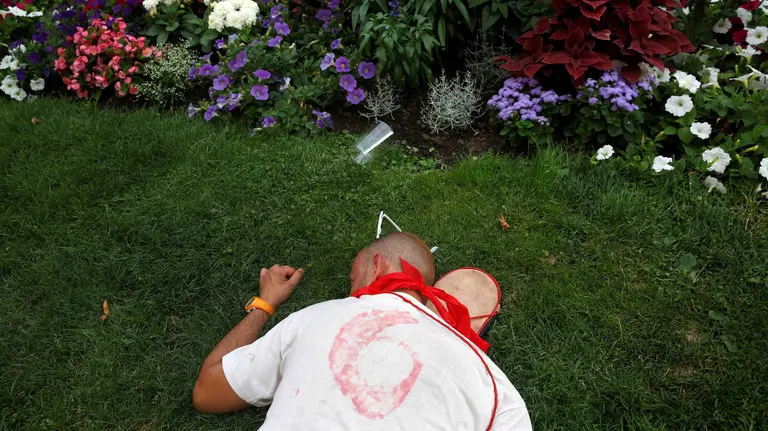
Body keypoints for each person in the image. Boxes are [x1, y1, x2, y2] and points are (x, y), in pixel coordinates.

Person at [192, 232, 532, 430]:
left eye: (352, 279)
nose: (351, 291)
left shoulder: (311, 319)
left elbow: (208, 391)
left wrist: (265, 304)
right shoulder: (494, 388)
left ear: (376, 265)